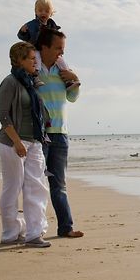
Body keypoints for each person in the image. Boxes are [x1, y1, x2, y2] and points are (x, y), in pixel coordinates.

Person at [0, 42, 51, 248]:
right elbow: (2, 115)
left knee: (37, 187)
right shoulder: (9, 82)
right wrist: (17, 141)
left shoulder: (33, 82)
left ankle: (34, 233)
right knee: (12, 188)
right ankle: (10, 233)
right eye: (31, 58)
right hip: (12, 143)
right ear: (19, 60)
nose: (35, 61)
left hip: (35, 141)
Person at [36, 27, 84, 238]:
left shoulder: (62, 71)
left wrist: (75, 80)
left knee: (59, 185)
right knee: (36, 184)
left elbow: (72, 97)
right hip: (39, 135)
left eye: (63, 49)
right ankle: (35, 230)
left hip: (61, 134)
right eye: (57, 48)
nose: (61, 53)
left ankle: (66, 228)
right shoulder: (33, 70)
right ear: (44, 47)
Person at [17, 0, 80, 90]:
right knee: (36, 60)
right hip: (36, 47)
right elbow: (23, 37)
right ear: (36, 11)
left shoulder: (52, 25)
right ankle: (35, 77)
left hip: (48, 48)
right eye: (40, 10)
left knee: (61, 61)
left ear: (51, 13)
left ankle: (67, 81)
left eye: (46, 11)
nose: (43, 13)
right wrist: (23, 32)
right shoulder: (32, 24)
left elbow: (56, 37)